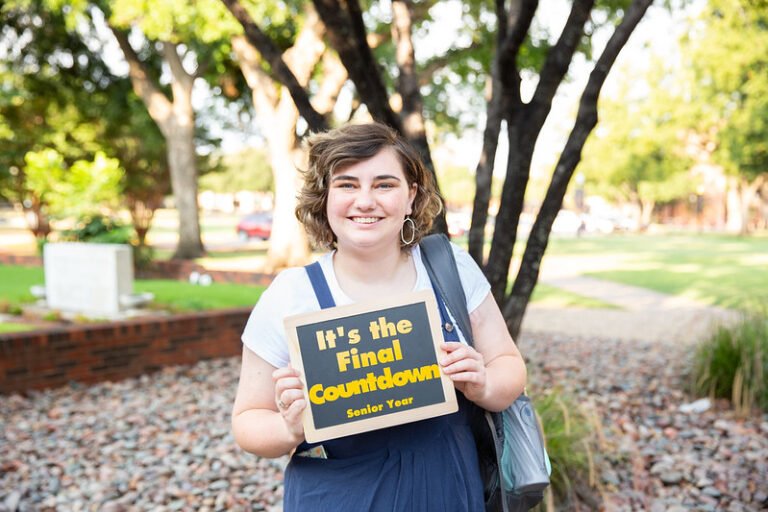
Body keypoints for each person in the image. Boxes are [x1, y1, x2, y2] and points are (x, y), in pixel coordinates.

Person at [232, 122, 527, 511]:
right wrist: (289, 426)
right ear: (324, 196)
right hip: (338, 495)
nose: (365, 201)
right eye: (347, 185)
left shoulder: (449, 269)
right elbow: (247, 422)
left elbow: (509, 366)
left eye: (384, 185)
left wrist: (483, 383)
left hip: (445, 486)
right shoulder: (290, 294)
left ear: (411, 196)